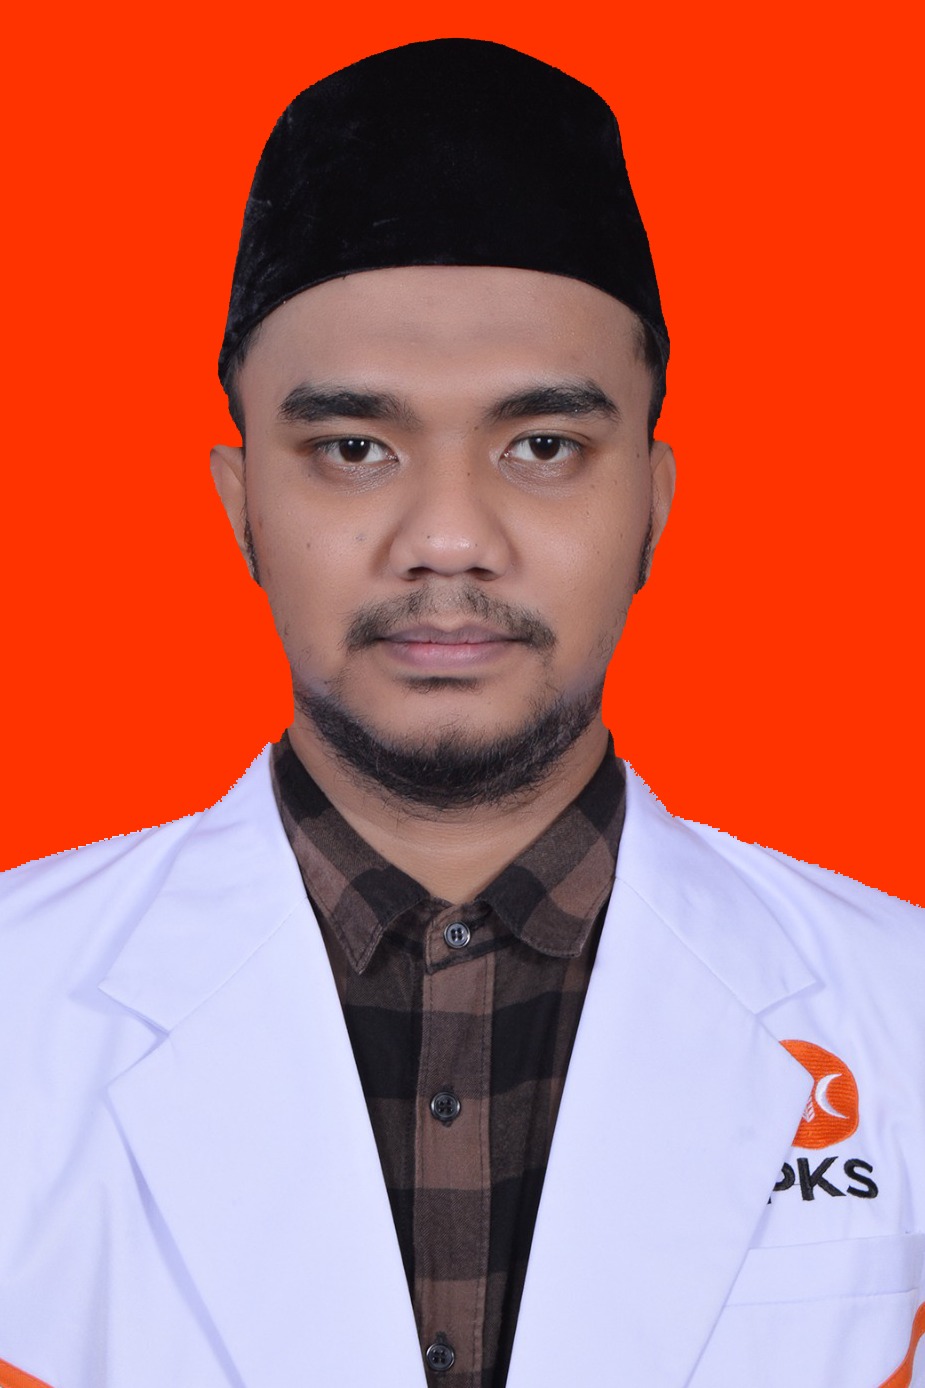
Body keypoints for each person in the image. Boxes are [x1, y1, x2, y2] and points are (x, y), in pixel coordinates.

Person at [0, 37, 922, 1388]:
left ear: (653, 502)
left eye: (541, 447)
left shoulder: (904, 1010)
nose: (445, 538)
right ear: (240, 504)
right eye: (352, 448)